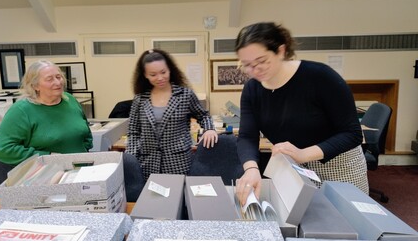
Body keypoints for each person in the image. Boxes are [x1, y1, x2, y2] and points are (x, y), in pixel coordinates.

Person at [234, 22, 369, 205]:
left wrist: (304, 154)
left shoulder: (320, 77)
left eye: (262, 61)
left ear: (281, 51)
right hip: (294, 167)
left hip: (338, 165)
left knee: (347, 225)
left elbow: (352, 134)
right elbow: (247, 137)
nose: (255, 70)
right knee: (304, 221)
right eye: (247, 65)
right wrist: (251, 168)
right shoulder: (252, 89)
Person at [0, 60, 93, 197]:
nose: (58, 82)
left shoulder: (69, 100)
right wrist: (47, 157)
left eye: (59, 77)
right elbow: (3, 149)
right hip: (45, 178)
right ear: (35, 85)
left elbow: (85, 131)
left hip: (78, 172)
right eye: (50, 79)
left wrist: (84, 152)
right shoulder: (22, 110)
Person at [126, 49, 218, 180]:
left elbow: (203, 115)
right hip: (148, 164)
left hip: (178, 163)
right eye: (153, 74)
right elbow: (133, 132)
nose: (160, 78)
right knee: (153, 199)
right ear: (145, 75)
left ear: (170, 70)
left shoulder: (185, 95)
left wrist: (209, 129)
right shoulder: (140, 99)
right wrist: (132, 159)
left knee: (178, 198)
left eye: (163, 72)